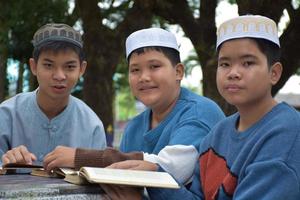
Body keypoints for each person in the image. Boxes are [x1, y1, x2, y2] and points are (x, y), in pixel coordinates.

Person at [108, 15, 300, 199]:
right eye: (224, 64)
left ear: (274, 73)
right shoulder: (218, 135)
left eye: (247, 63)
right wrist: (155, 174)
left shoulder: (285, 133)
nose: (233, 73)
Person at [43, 27, 225, 189]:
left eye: (154, 66)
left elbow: (168, 170)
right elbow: (123, 181)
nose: (144, 77)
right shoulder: (134, 126)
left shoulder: (200, 112)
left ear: (178, 72)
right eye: (135, 70)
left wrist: (80, 158)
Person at [0, 23, 107, 166]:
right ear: (33, 66)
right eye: (48, 65)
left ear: (81, 69)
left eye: (69, 67)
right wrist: (6, 163)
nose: (59, 76)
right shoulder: (6, 115)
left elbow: (99, 181)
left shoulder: (92, 126)